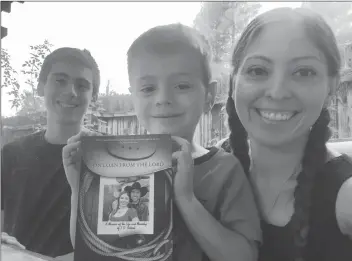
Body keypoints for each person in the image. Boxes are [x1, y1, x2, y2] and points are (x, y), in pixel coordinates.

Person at [63, 23, 261, 261]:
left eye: (182, 86)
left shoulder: (224, 170)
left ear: (209, 94)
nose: (163, 99)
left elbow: (245, 257)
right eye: (148, 88)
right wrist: (80, 189)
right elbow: (91, 250)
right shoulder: (115, 167)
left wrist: (187, 199)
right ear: (133, 97)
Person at [220, 7, 352, 261]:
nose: (277, 92)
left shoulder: (346, 197)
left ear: (332, 85)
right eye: (258, 70)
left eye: (303, 72)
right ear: (233, 81)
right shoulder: (207, 171)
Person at [1, 47, 100, 258]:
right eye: (60, 80)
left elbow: (121, 241)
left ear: (94, 96)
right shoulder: (11, 154)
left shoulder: (108, 156)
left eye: (82, 85)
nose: (71, 91)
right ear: (40, 87)